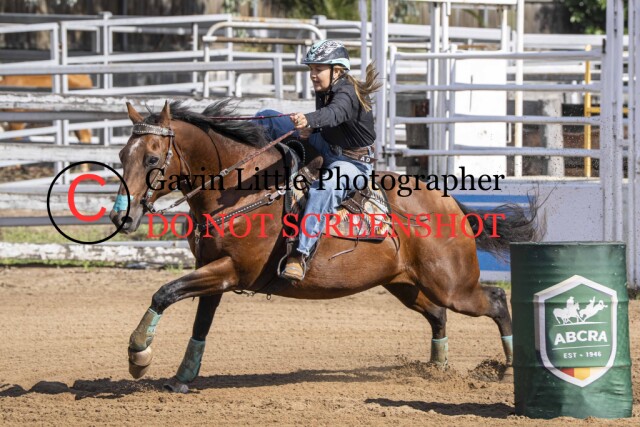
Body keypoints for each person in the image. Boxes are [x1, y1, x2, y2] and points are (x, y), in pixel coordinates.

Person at [255, 39, 382, 281]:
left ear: (337, 71)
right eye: (311, 69)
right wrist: (311, 130)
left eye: (318, 69)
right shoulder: (326, 89)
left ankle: (300, 255)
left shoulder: (348, 92)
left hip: (353, 164)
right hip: (326, 145)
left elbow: (334, 113)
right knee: (265, 118)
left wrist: (309, 121)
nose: (313, 74)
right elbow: (333, 121)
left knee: (326, 187)